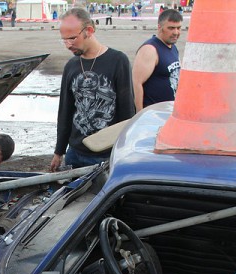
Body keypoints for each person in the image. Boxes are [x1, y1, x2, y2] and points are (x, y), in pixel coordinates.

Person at [50, 8, 134, 171]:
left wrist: (125, 152)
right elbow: (65, 111)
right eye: (64, 40)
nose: (68, 45)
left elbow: (127, 110)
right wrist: (59, 151)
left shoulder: (118, 61)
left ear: (89, 30)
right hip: (75, 152)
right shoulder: (71, 66)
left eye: (72, 38)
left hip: (106, 155)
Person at [131, 8, 183, 111]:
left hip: (168, 112)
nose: (176, 32)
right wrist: (140, 114)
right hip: (153, 115)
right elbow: (136, 83)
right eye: (171, 28)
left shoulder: (172, 47)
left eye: (178, 28)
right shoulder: (150, 49)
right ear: (160, 27)